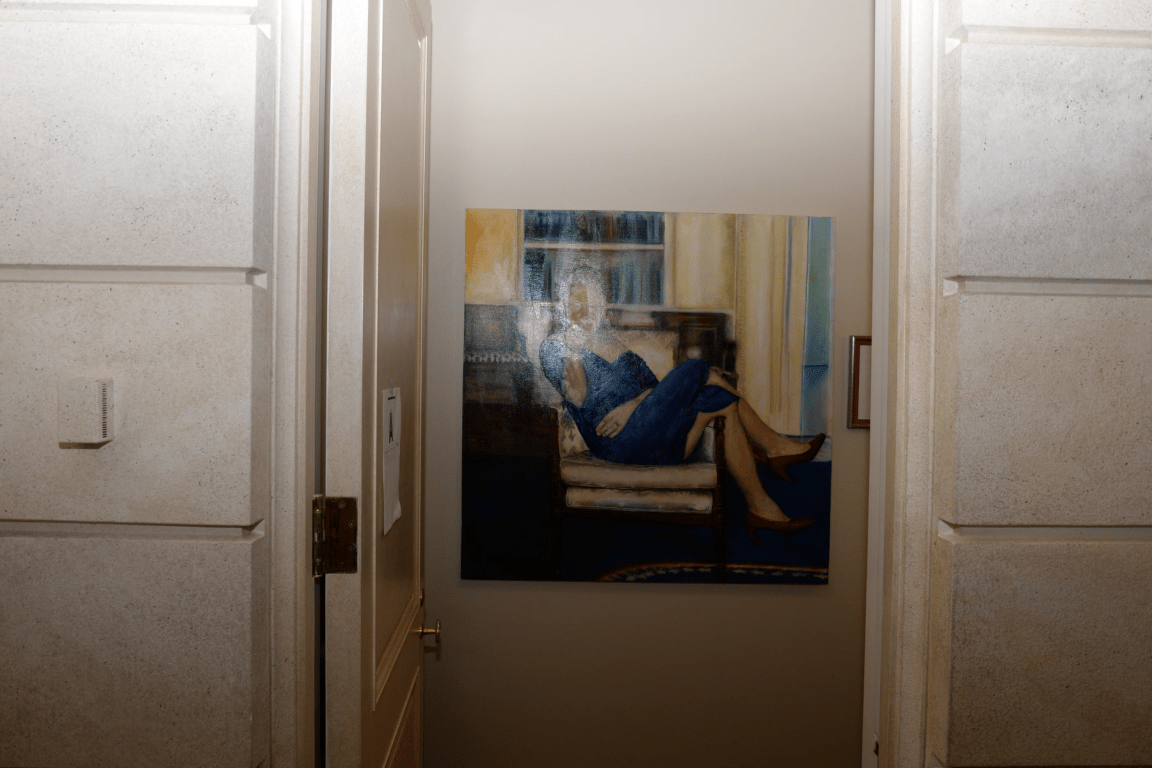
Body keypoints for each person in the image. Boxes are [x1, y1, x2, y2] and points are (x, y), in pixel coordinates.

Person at [539, 274, 824, 544]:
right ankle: (774, 446)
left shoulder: (614, 344)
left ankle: (760, 506)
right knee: (696, 367)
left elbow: (654, 389)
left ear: (601, 307)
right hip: (616, 442)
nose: (585, 312)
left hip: (652, 433)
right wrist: (574, 347)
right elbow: (577, 397)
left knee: (720, 399)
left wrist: (632, 406)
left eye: (591, 304)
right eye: (577, 304)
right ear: (565, 307)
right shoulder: (553, 347)